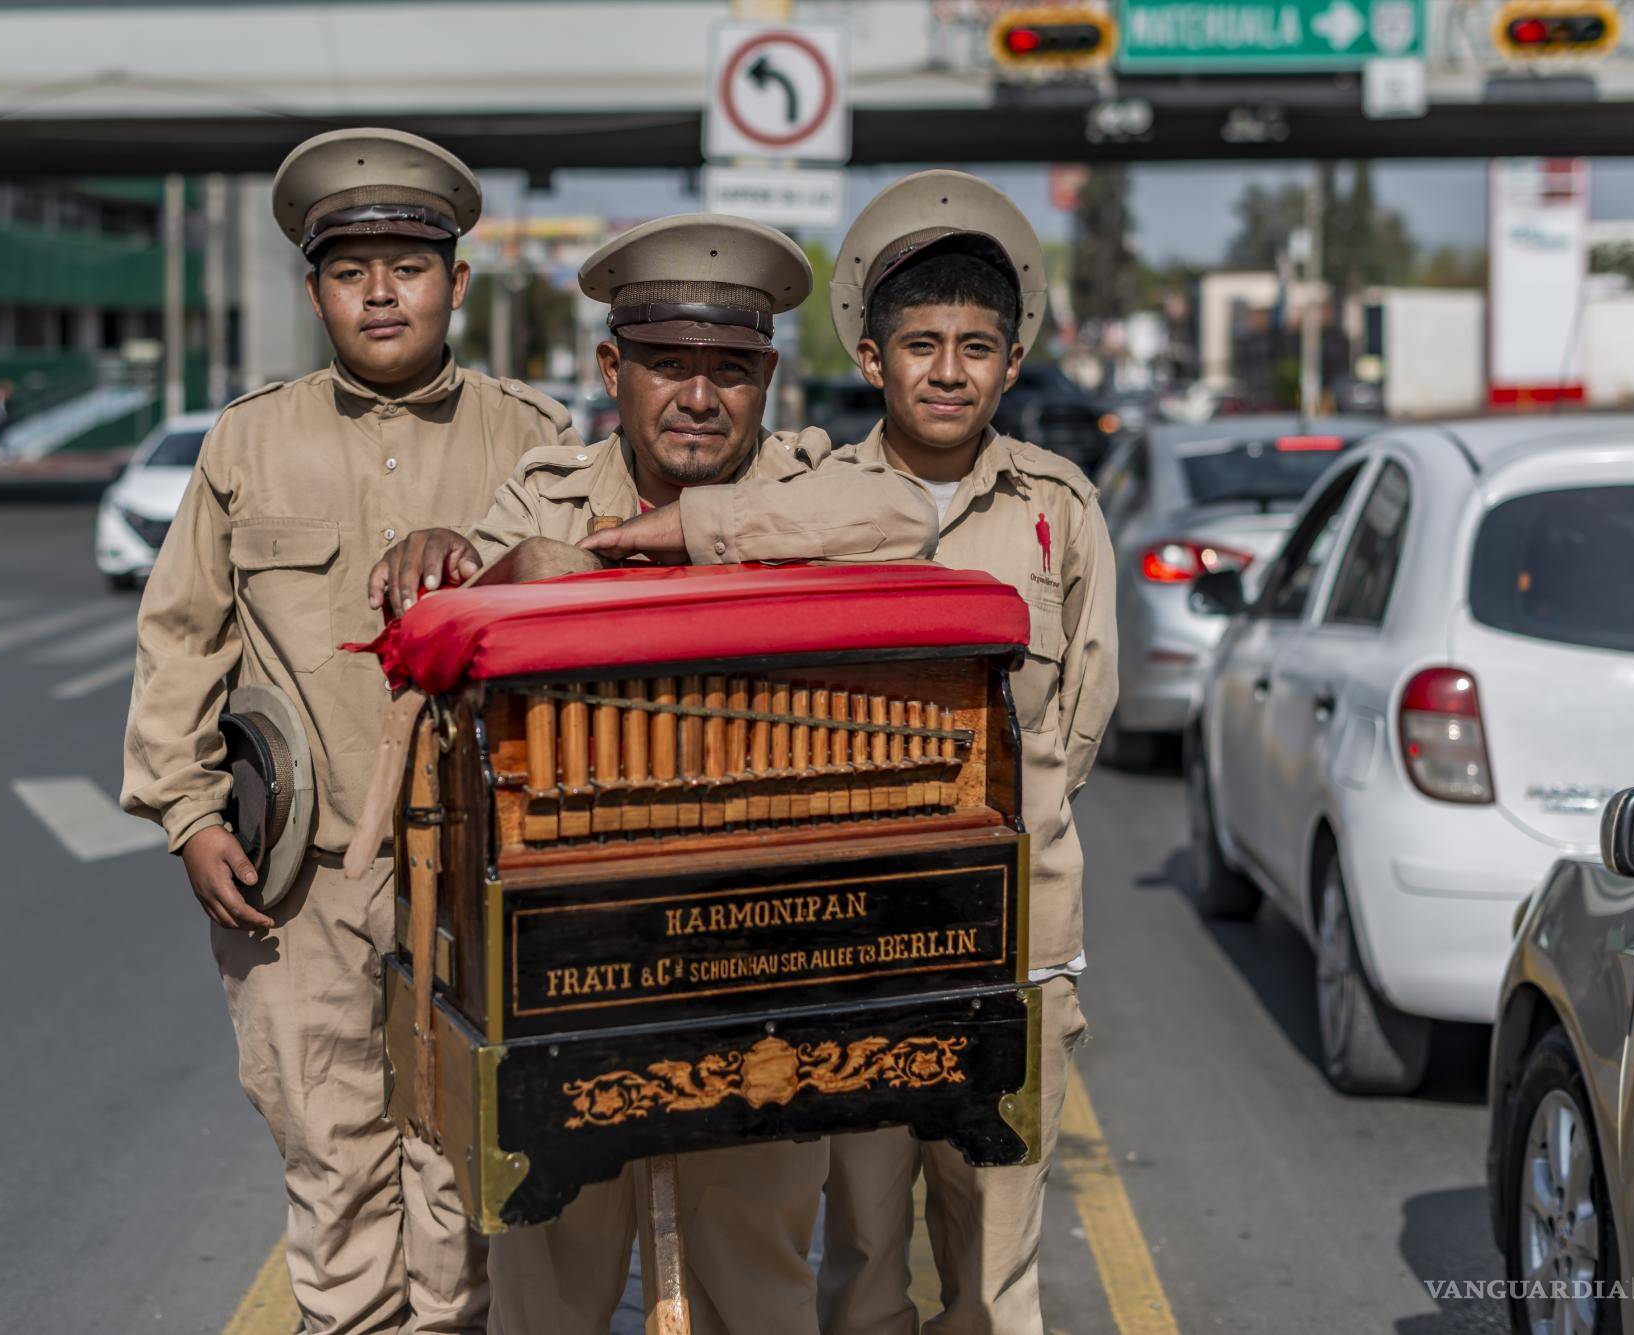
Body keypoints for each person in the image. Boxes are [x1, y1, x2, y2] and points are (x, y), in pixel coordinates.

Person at [370, 213, 939, 1335]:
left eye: (729, 372)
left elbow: (908, 515)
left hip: (759, 981)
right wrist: (493, 568)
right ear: (609, 371)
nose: (697, 397)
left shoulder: (816, 482)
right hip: (564, 985)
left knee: (756, 1290)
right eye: (667, 367)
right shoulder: (545, 491)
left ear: (767, 379)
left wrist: (696, 533)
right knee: (551, 1291)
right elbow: (448, 639)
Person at [120, 127, 585, 1335]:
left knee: (457, 1172)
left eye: (409, 265)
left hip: (478, 876)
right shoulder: (247, 440)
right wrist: (186, 815)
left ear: (457, 283)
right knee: (331, 1164)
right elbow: (182, 637)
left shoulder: (534, 440)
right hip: (299, 879)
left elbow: (591, 615)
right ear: (314, 288)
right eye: (350, 270)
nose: (381, 292)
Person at [813, 171, 1118, 1335]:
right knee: (860, 1251)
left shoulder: (1056, 508)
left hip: (1012, 945)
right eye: (922, 345)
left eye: (975, 347)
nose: (948, 371)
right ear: (874, 358)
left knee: (994, 1259)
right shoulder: (811, 503)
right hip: (850, 948)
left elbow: (1079, 718)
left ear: (1007, 361)